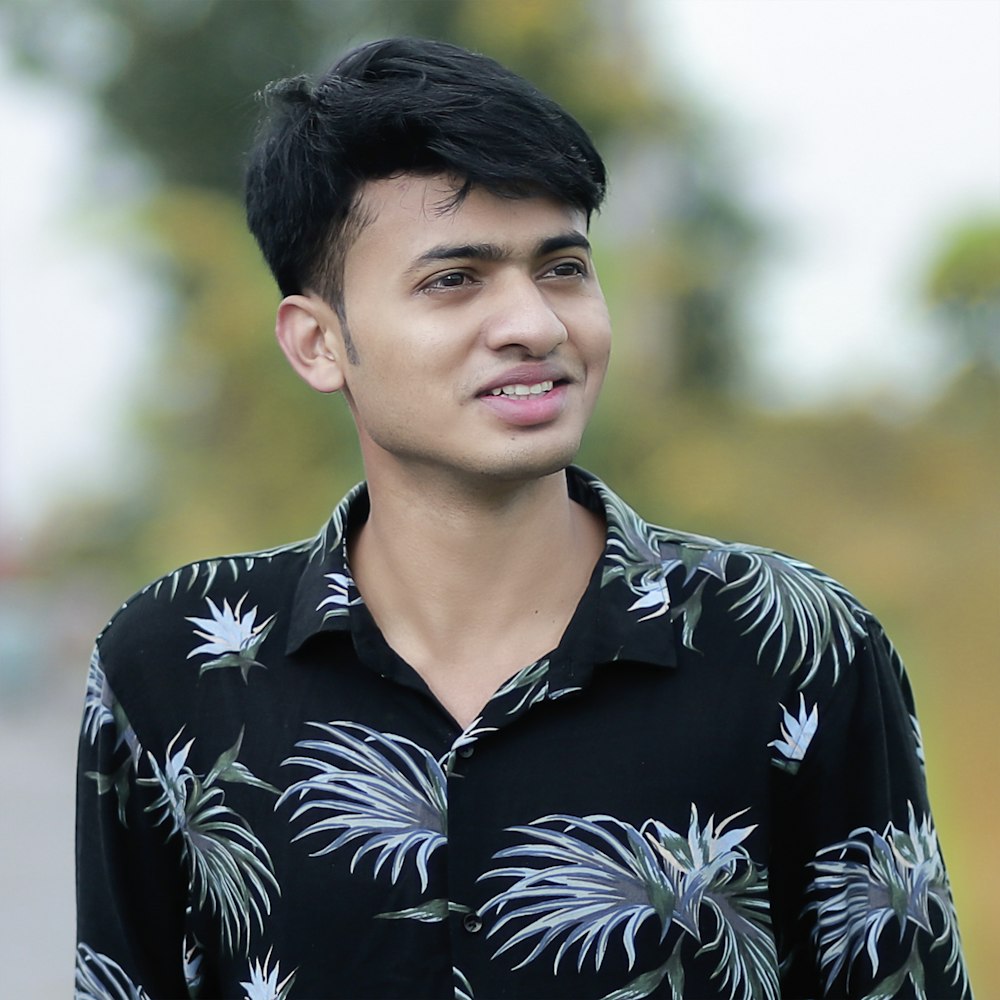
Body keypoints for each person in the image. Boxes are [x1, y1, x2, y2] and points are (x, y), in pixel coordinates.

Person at [75, 37, 971, 1000]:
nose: (536, 325)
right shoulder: (172, 668)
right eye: (454, 279)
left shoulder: (792, 645)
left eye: (563, 268)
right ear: (319, 342)